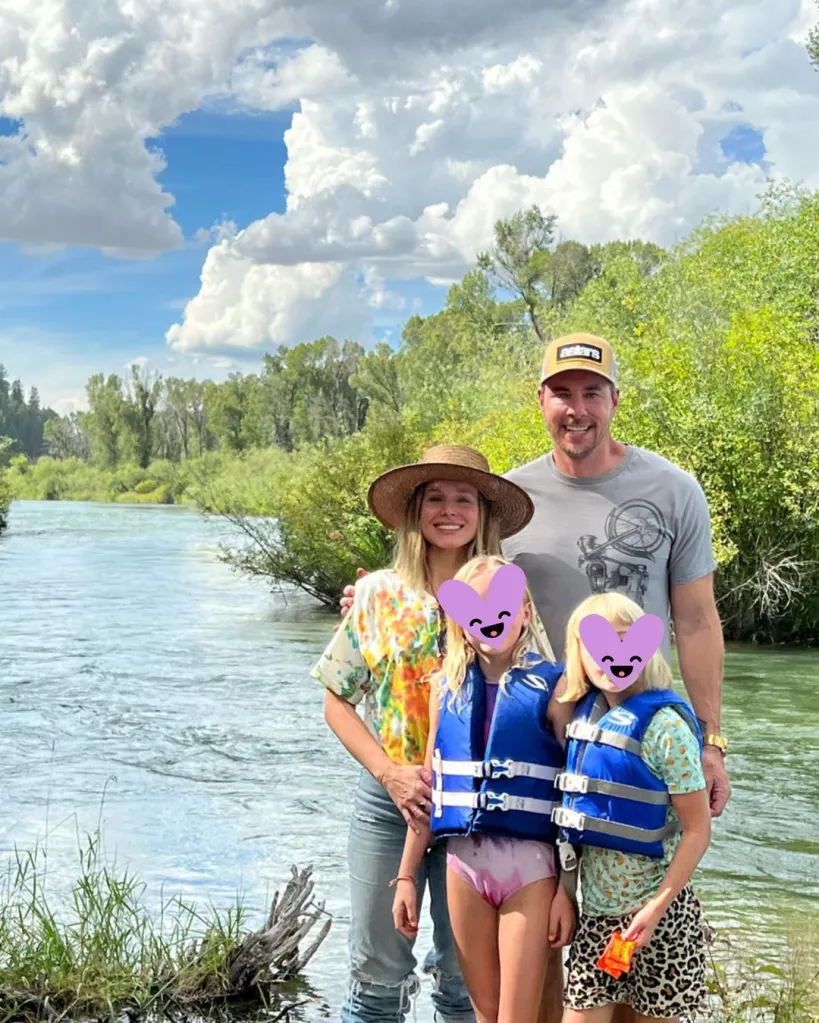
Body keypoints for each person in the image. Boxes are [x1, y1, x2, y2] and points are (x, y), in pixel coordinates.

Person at [338, 332, 730, 1019]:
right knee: (513, 978)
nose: (575, 408)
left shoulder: (672, 490)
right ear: (540, 399)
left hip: (615, 759)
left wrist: (710, 739)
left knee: (628, 949)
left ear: (613, 399)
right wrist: (367, 594)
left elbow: (695, 621)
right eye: (561, 392)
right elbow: (451, 578)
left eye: (590, 392)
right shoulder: (508, 503)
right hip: (478, 776)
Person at [311, 444, 540, 1023]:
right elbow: (337, 700)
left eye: (464, 498)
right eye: (434, 497)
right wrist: (389, 774)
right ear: (414, 511)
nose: (449, 510)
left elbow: (539, 694)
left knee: (463, 978)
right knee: (375, 972)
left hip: (478, 807)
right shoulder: (376, 595)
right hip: (390, 802)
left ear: (483, 515)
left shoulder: (511, 595)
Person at [392, 555, 576, 1023]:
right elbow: (434, 789)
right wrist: (408, 877)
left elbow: (575, 796)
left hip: (532, 871)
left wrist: (568, 889)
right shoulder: (446, 689)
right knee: (486, 1015)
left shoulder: (558, 689)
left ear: (526, 613)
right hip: (463, 869)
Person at [554, 591, 711, 1022]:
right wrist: (565, 894)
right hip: (598, 918)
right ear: (579, 655)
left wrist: (657, 907)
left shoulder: (667, 729)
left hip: (663, 920)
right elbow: (573, 824)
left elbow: (698, 830)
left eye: (625, 640)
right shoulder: (582, 723)